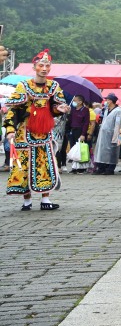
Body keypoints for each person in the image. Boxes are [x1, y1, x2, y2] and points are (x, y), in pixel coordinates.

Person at [4, 49, 69, 210]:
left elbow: (54, 107)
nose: (44, 69)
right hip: (25, 133)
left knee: (45, 165)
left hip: (44, 133)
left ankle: (45, 200)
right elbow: (14, 109)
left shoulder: (54, 86)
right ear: (34, 67)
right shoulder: (24, 86)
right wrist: (10, 129)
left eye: (47, 66)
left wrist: (59, 109)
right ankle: (27, 201)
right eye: (41, 65)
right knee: (23, 166)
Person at [93, 93, 121, 175]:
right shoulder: (106, 110)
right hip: (104, 134)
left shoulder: (118, 111)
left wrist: (116, 136)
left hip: (113, 133)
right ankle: (101, 167)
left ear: (111, 101)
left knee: (113, 151)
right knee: (102, 151)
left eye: (107, 100)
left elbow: (118, 124)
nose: (106, 101)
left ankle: (110, 168)